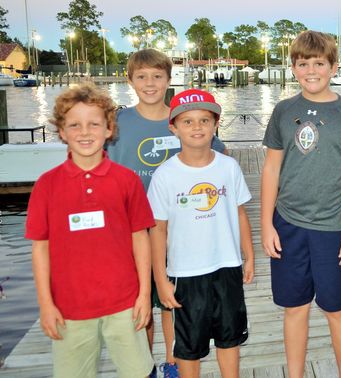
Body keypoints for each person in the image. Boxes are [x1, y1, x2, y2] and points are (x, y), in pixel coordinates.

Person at [260, 30, 341, 378]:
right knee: (294, 308)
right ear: (293, 67)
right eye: (303, 63)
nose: (312, 70)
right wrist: (266, 224)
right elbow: (271, 168)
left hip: (334, 229)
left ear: (334, 66)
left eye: (319, 63)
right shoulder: (283, 110)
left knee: (337, 309)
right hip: (289, 225)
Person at [106, 48, 226, 377]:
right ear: (129, 80)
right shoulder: (117, 123)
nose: (150, 83)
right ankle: (145, 365)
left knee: (173, 301)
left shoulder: (181, 118)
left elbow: (216, 156)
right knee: (141, 301)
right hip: (133, 228)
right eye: (142, 76)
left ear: (168, 80)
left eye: (157, 76)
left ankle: (173, 362)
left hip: (181, 227)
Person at [26, 83, 155, 377]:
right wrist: (46, 304)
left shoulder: (126, 180)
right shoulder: (47, 185)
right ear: (61, 131)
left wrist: (144, 295)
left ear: (109, 129)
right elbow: (40, 247)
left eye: (94, 124)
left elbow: (140, 237)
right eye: (74, 125)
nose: (85, 132)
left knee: (139, 371)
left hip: (124, 302)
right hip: (70, 307)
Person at [147, 89, 255, 378]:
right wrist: (161, 278)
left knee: (230, 337)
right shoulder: (165, 175)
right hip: (186, 272)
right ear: (174, 127)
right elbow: (157, 229)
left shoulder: (228, 167)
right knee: (189, 345)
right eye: (188, 122)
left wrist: (250, 254)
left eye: (205, 120)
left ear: (216, 124)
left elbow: (239, 212)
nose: (197, 127)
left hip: (227, 267)